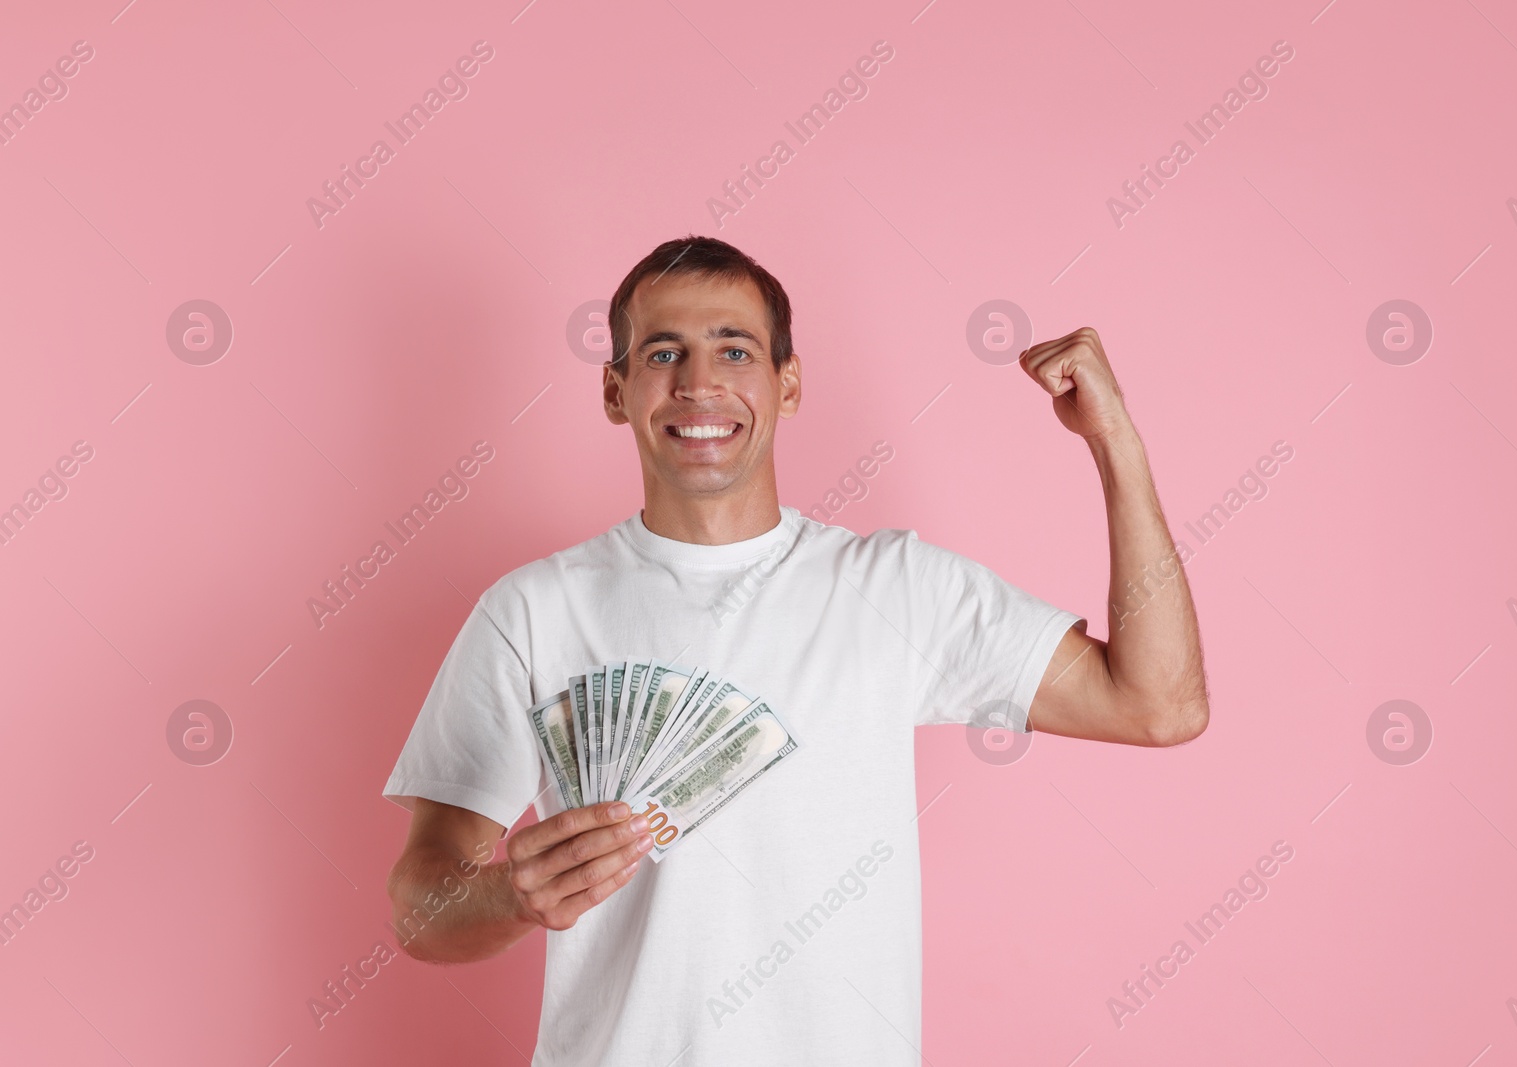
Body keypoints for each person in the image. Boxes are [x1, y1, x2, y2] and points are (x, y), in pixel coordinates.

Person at [383, 235, 1208, 1065]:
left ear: (788, 383)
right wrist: (511, 895)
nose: (698, 383)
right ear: (615, 389)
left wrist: (1115, 441)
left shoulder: (897, 588)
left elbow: (1158, 704)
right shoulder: (532, 610)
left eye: (733, 350)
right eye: (663, 351)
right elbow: (421, 911)